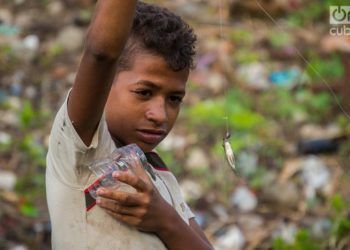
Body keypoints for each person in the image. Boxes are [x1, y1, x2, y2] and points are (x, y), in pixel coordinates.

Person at [46, 1, 213, 249]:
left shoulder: (158, 174)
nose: (160, 115)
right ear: (105, 84)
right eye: (144, 92)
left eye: (174, 99)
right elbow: (101, 53)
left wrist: (165, 220)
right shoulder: (82, 147)